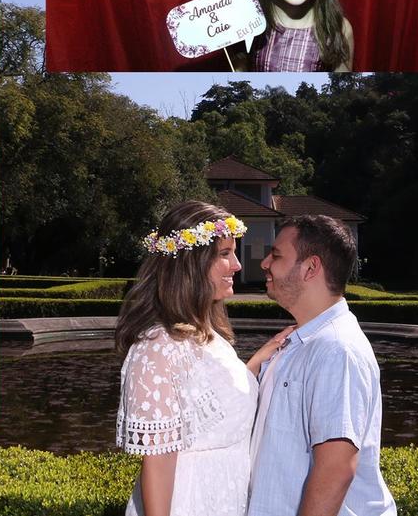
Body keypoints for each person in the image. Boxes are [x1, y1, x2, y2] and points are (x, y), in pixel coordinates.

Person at [115, 201, 294, 516]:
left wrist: (259, 360)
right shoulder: (158, 348)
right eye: (225, 254)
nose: (237, 265)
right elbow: (159, 463)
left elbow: (213, 405)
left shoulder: (208, 334)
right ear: (191, 263)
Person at [248, 216, 396, 516]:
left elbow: (335, 470)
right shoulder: (299, 344)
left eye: (276, 255)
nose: (265, 263)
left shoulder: (337, 349)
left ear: (310, 268)